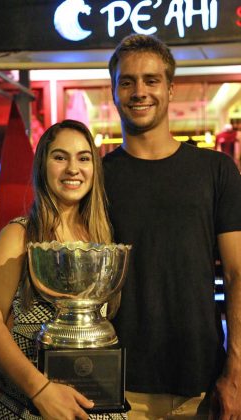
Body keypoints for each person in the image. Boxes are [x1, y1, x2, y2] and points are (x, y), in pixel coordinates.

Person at [103, 34, 241, 419]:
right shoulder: (96, 179)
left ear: (170, 88)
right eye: (127, 81)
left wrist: (237, 372)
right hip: (113, 384)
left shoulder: (216, 171)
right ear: (114, 91)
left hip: (199, 385)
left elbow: (237, 274)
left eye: (151, 80)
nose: (139, 91)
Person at [0, 119, 126, 419]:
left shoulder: (102, 237)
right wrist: (40, 391)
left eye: (83, 158)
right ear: (43, 165)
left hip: (96, 406)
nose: (73, 168)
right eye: (60, 157)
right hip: (30, 406)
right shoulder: (20, 235)